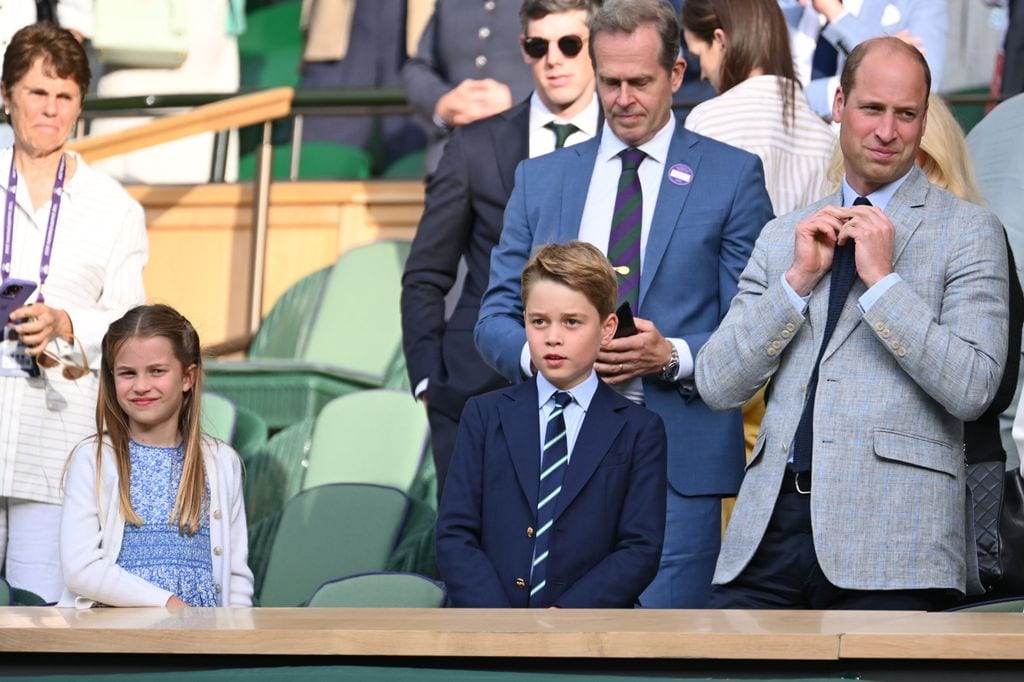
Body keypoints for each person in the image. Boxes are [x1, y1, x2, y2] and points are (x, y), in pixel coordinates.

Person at [475, 0, 774, 608]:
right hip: (551, 455)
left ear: (676, 74)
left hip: (676, 461)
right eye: (610, 81)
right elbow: (492, 319)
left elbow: (757, 327)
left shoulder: (732, 176)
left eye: (640, 81)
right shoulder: (542, 178)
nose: (623, 97)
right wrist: (550, 358)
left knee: (665, 655)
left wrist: (674, 356)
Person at [694, 37, 1009, 609]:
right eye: (872, 109)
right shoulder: (783, 235)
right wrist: (793, 284)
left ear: (923, 117)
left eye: (906, 114)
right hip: (769, 530)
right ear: (839, 104)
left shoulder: (970, 231)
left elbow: (974, 388)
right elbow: (717, 382)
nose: (887, 131)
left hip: (896, 541)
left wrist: (885, 285)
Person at [401, 0, 601, 497]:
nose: (554, 58)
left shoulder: (627, 145)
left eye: (570, 44)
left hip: (599, 390)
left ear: (596, 46)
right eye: (539, 46)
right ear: (524, 50)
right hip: (475, 389)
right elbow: (426, 273)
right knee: (472, 563)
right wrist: (428, 379)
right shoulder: (474, 146)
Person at [0, 23, 148, 602]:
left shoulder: (114, 209)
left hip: (56, 448)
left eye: (64, 98)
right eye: (38, 93)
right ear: (7, 95)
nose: (50, 110)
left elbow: (134, 328)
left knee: (43, 620)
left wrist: (66, 324)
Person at [437, 240, 667, 607]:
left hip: (587, 635)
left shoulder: (640, 429)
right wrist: (499, 621)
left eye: (572, 322)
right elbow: (455, 533)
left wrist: (563, 619)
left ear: (607, 329)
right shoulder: (483, 415)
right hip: (489, 630)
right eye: (538, 321)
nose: (553, 337)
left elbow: (640, 548)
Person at [59, 304, 254, 608]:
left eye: (157, 371)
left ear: (188, 377)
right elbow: (81, 569)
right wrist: (166, 603)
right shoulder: (93, 459)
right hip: (115, 639)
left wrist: (235, 642)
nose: (141, 386)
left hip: (201, 642)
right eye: (127, 373)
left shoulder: (221, 462)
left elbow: (236, 575)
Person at [682, 0, 835, 217]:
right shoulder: (825, 139)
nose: (703, 74)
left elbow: (696, 224)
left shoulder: (707, 120)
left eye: (698, 57)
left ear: (720, 40)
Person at [401, 0, 535, 174]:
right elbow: (419, 67)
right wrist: (441, 102)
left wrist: (516, 104)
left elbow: (573, 64)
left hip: (527, 155)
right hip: (450, 160)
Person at [777, 0, 948, 120]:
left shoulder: (919, 4)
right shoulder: (785, 6)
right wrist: (887, 58)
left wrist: (836, 14)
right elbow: (760, 87)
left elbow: (920, 88)